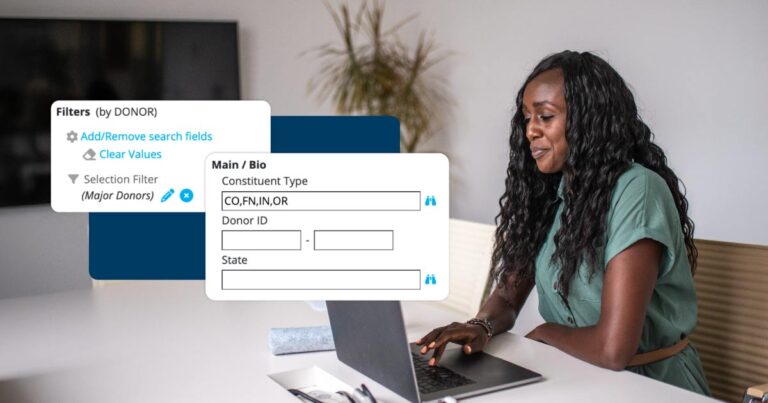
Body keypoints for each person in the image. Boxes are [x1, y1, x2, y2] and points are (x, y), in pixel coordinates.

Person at [416, 50, 711, 395]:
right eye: (526, 118)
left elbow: (612, 349)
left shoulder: (637, 190)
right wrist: (481, 325)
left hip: (650, 388)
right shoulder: (551, 197)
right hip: (576, 379)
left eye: (544, 116)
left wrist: (544, 334)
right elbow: (509, 300)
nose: (530, 131)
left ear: (588, 119)